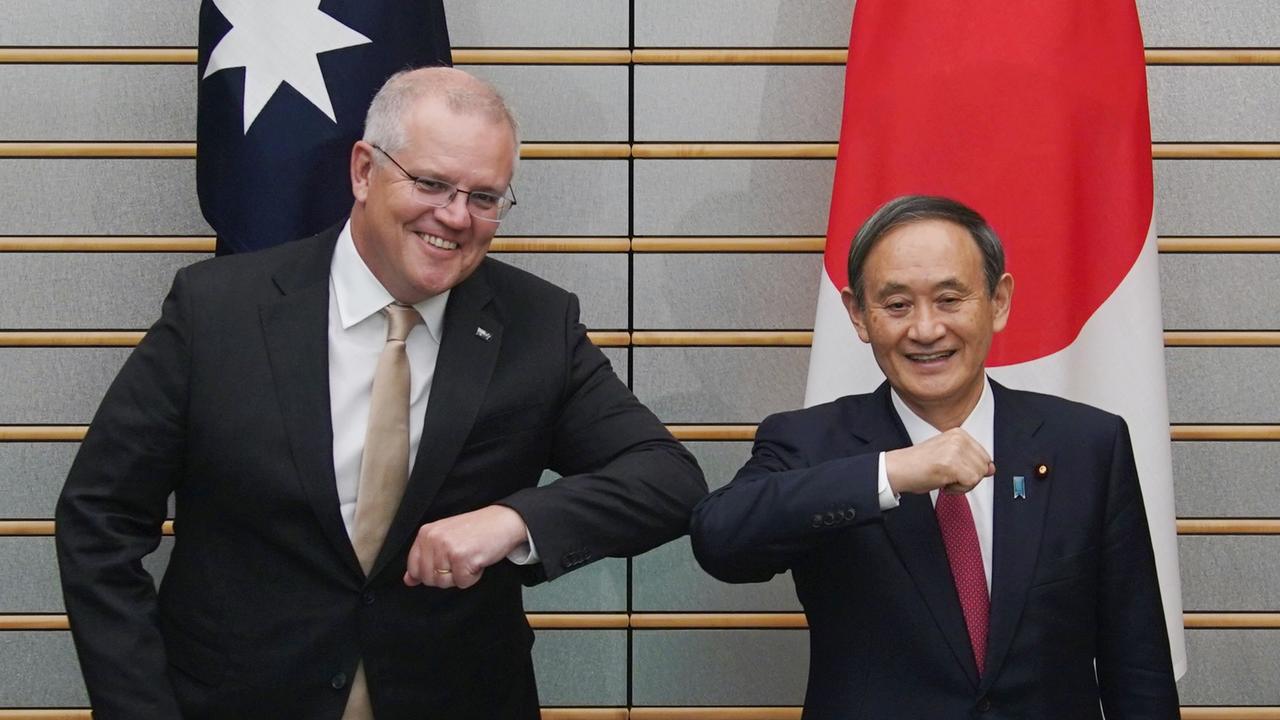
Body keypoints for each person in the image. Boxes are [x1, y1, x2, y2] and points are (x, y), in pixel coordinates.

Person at [56, 67, 706, 720]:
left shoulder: (537, 326)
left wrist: (511, 522)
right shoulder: (217, 310)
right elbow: (99, 520)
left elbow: (667, 479)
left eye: (485, 198)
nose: (454, 217)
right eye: (430, 184)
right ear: (364, 171)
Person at [690, 195, 1178, 718]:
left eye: (950, 299)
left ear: (999, 301)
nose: (925, 330)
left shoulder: (1086, 444)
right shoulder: (810, 443)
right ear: (858, 314)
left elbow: (1138, 667)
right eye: (897, 305)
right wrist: (892, 472)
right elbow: (720, 538)